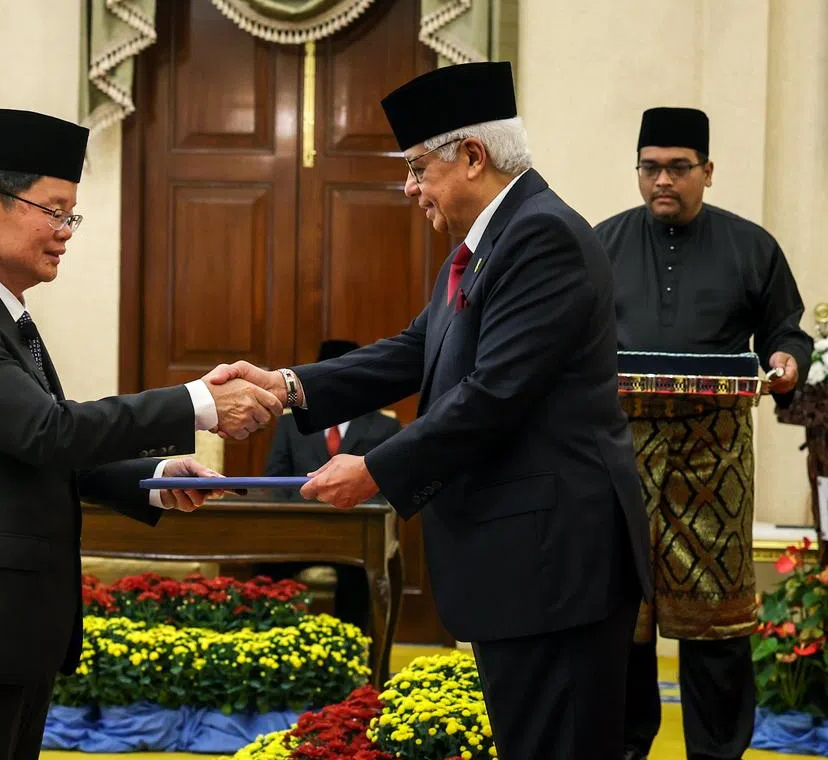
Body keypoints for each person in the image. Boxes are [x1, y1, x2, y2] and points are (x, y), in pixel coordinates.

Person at [209, 62, 652, 760]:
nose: (409, 188)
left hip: (558, 564)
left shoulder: (543, 238)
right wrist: (288, 386)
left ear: (473, 156)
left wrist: (377, 471)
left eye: (418, 167)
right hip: (526, 565)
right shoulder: (487, 246)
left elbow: (494, 395)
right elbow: (412, 350)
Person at [0, 108, 281, 760]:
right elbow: (46, 431)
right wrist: (198, 402)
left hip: (2, 630)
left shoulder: (0, 314)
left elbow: (33, 450)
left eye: (71, 216)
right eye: (55, 211)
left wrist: (154, 479)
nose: (66, 233)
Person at [594, 106, 813, 760]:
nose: (664, 180)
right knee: (619, 620)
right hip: (620, 453)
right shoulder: (600, 243)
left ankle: (716, 755)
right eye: (651, 167)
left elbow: (786, 331)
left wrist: (786, 361)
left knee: (717, 628)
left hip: (713, 461)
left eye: (679, 168)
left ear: (707, 172)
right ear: (638, 171)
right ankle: (625, 750)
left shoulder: (752, 246)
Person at [257, 338, 402, 629]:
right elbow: (276, 480)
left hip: (353, 535)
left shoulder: (384, 427)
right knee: (264, 565)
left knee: (358, 573)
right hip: (296, 534)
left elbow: (388, 488)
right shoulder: (291, 424)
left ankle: (353, 655)